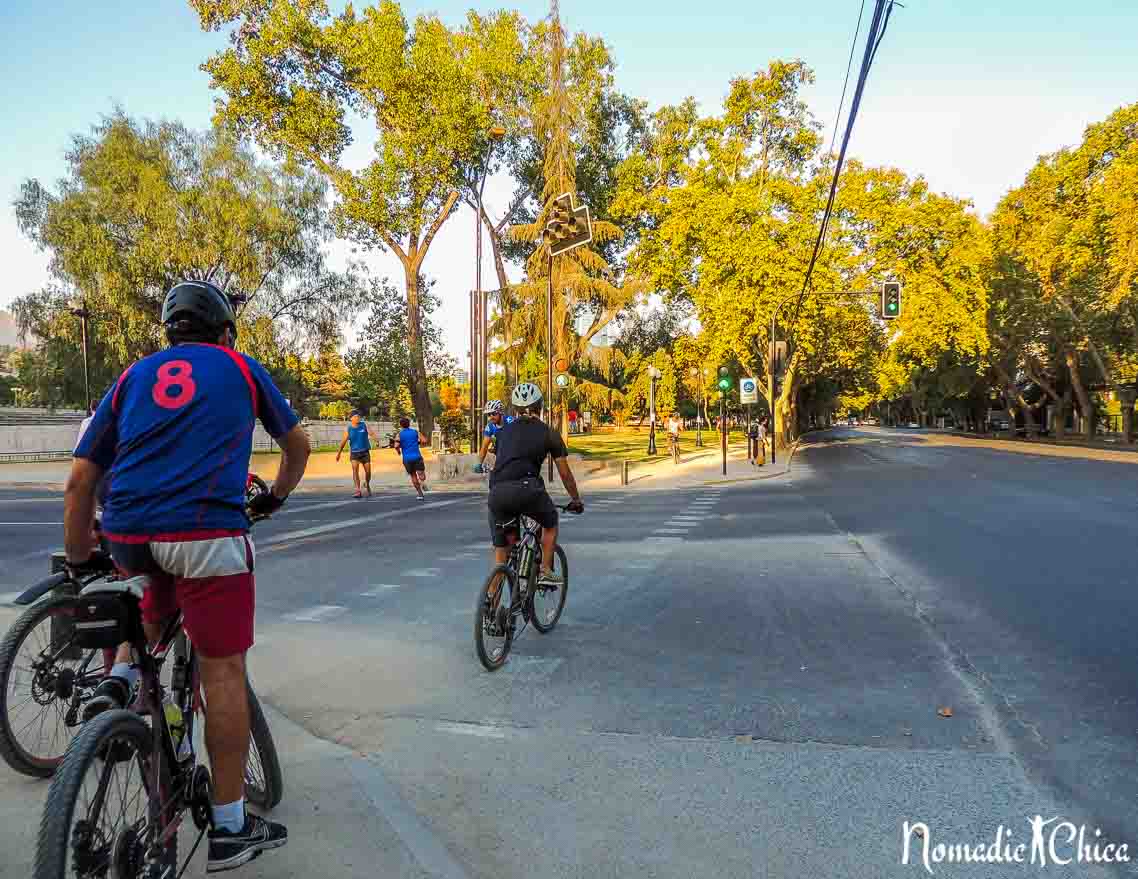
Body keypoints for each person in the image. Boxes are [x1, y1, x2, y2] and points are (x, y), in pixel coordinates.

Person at [66, 279, 310, 872]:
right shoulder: (241, 368)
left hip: (129, 532)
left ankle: (121, 677)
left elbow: (79, 480)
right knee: (223, 672)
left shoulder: (133, 375)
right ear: (225, 333)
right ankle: (229, 826)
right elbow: (297, 446)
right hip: (206, 533)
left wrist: (78, 561)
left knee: (149, 587)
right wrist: (273, 498)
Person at [487, 382, 583, 587]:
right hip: (527, 489)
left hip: (497, 493)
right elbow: (565, 474)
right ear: (540, 407)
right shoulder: (549, 433)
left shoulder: (502, 433)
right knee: (550, 522)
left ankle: (490, 610)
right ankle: (545, 570)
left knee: (501, 553)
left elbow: (499, 464)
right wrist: (575, 499)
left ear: (514, 408)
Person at [335, 410, 378, 497]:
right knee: (355, 471)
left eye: (358, 416)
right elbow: (343, 442)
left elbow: (371, 433)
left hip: (365, 452)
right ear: (351, 418)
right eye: (355, 416)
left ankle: (367, 483)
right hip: (354, 453)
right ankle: (358, 490)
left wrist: (376, 440)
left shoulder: (364, 425)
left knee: (368, 472)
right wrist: (339, 453)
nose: (358, 418)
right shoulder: (348, 429)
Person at [395, 416, 429, 499]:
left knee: (413, 475)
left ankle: (420, 494)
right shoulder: (415, 432)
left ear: (401, 425)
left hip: (407, 459)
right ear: (409, 424)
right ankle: (422, 482)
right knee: (421, 475)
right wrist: (417, 442)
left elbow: (396, 445)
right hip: (417, 456)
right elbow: (424, 440)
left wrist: (399, 451)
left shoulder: (399, 434)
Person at [473, 399, 509, 474]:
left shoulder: (510, 421)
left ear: (500, 412)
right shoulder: (490, 426)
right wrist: (480, 463)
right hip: (501, 457)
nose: (491, 417)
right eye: (489, 414)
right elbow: (484, 447)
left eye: (494, 413)